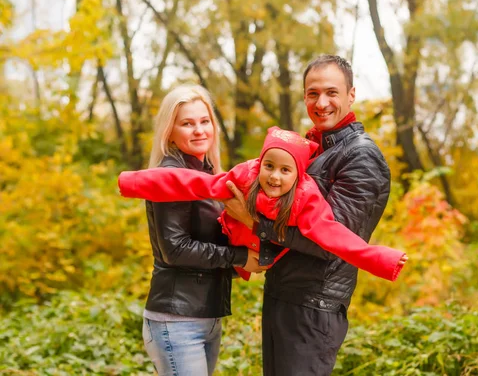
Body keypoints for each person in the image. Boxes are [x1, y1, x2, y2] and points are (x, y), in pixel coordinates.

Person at [223, 55, 396, 375]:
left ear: (351, 95)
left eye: (332, 92)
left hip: (314, 308)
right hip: (285, 297)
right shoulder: (313, 150)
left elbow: (329, 241)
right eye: (313, 93)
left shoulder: (361, 156)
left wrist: (251, 221)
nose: (322, 102)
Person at [118, 126, 408, 282]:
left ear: (298, 175)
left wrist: (382, 259)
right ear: (260, 163)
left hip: (264, 254)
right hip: (233, 242)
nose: (274, 177)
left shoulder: (305, 198)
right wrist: (131, 182)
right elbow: (190, 183)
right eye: (269, 166)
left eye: (285, 170)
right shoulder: (246, 176)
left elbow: (336, 237)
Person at [138, 85, 262, 376]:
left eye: (204, 121)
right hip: (176, 320)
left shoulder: (206, 173)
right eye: (187, 123)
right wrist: (240, 257)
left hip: (206, 316)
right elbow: (175, 250)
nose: (199, 130)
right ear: (170, 131)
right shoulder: (171, 176)